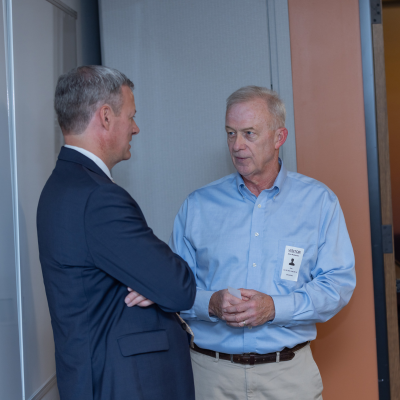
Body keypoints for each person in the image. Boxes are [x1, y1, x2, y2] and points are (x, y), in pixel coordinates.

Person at [168, 86, 356, 399]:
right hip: (210, 377)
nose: (237, 145)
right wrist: (211, 303)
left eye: (249, 133)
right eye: (230, 133)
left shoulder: (319, 202)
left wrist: (274, 308)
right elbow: (173, 287)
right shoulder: (197, 206)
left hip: (289, 376)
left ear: (279, 137)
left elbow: (337, 284)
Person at [37, 66, 196, 400]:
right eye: (131, 116)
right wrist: (157, 283)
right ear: (106, 117)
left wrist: (152, 281)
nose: (135, 128)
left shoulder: (60, 186)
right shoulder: (98, 197)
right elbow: (179, 286)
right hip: (122, 384)